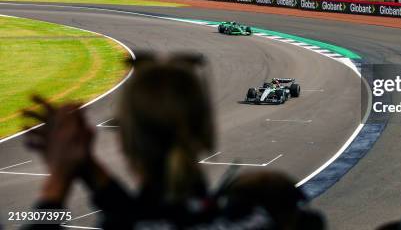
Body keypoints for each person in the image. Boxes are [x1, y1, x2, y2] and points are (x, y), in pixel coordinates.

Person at [23, 55, 278, 229]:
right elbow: (154, 213)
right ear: (205, 130)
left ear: (124, 138)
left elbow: (140, 216)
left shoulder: (121, 224)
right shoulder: (260, 218)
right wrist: (92, 172)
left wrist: (57, 184)